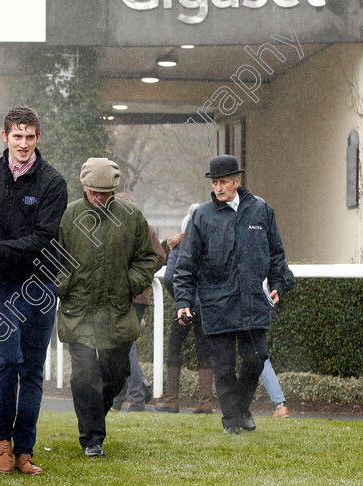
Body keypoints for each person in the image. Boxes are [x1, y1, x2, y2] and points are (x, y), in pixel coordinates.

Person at [0, 106, 67, 476]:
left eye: (30, 137)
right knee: (9, 359)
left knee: (32, 369)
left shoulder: (52, 182)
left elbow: (43, 239)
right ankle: (2, 443)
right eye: (17, 136)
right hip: (0, 286)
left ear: (37, 138)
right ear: (4, 136)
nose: (23, 144)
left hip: (40, 286)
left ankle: (25, 449)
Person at [174, 155, 288, 434]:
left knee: (256, 358)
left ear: (237, 180)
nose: (218, 187)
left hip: (253, 301)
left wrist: (278, 284)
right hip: (216, 302)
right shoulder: (201, 215)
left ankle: (240, 409)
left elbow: (277, 256)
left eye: (223, 181)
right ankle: (231, 422)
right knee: (223, 367)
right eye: (215, 182)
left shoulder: (262, 210)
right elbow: (186, 263)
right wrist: (184, 302)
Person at [57, 158, 157, 458]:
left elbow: (148, 258)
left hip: (117, 311)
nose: (100, 198)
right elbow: (52, 258)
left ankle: (93, 423)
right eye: (94, 192)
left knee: (115, 375)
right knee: (84, 375)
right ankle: (91, 439)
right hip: (79, 311)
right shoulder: (68, 215)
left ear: (114, 190)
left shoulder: (130, 216)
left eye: (106, 193)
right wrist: (65, 284)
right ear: (84, 187)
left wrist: (130, 283)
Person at [110, 208, 166, 413]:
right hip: (138, 295)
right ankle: (121, 399)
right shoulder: (146, 228)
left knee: (125, 347)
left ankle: (136, 400)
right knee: (122, 347)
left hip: (123, 295)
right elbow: (160, 257)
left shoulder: (116, 229)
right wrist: (143, 275)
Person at [157, 229, 214, 414]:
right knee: (205, 352)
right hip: (205, 307)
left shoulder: (178, 247)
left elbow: (169, 278)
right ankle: (205, 403)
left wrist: (181, 301)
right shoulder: (211, 246)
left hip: (184, 307)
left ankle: (172, 401)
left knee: (174, 350)